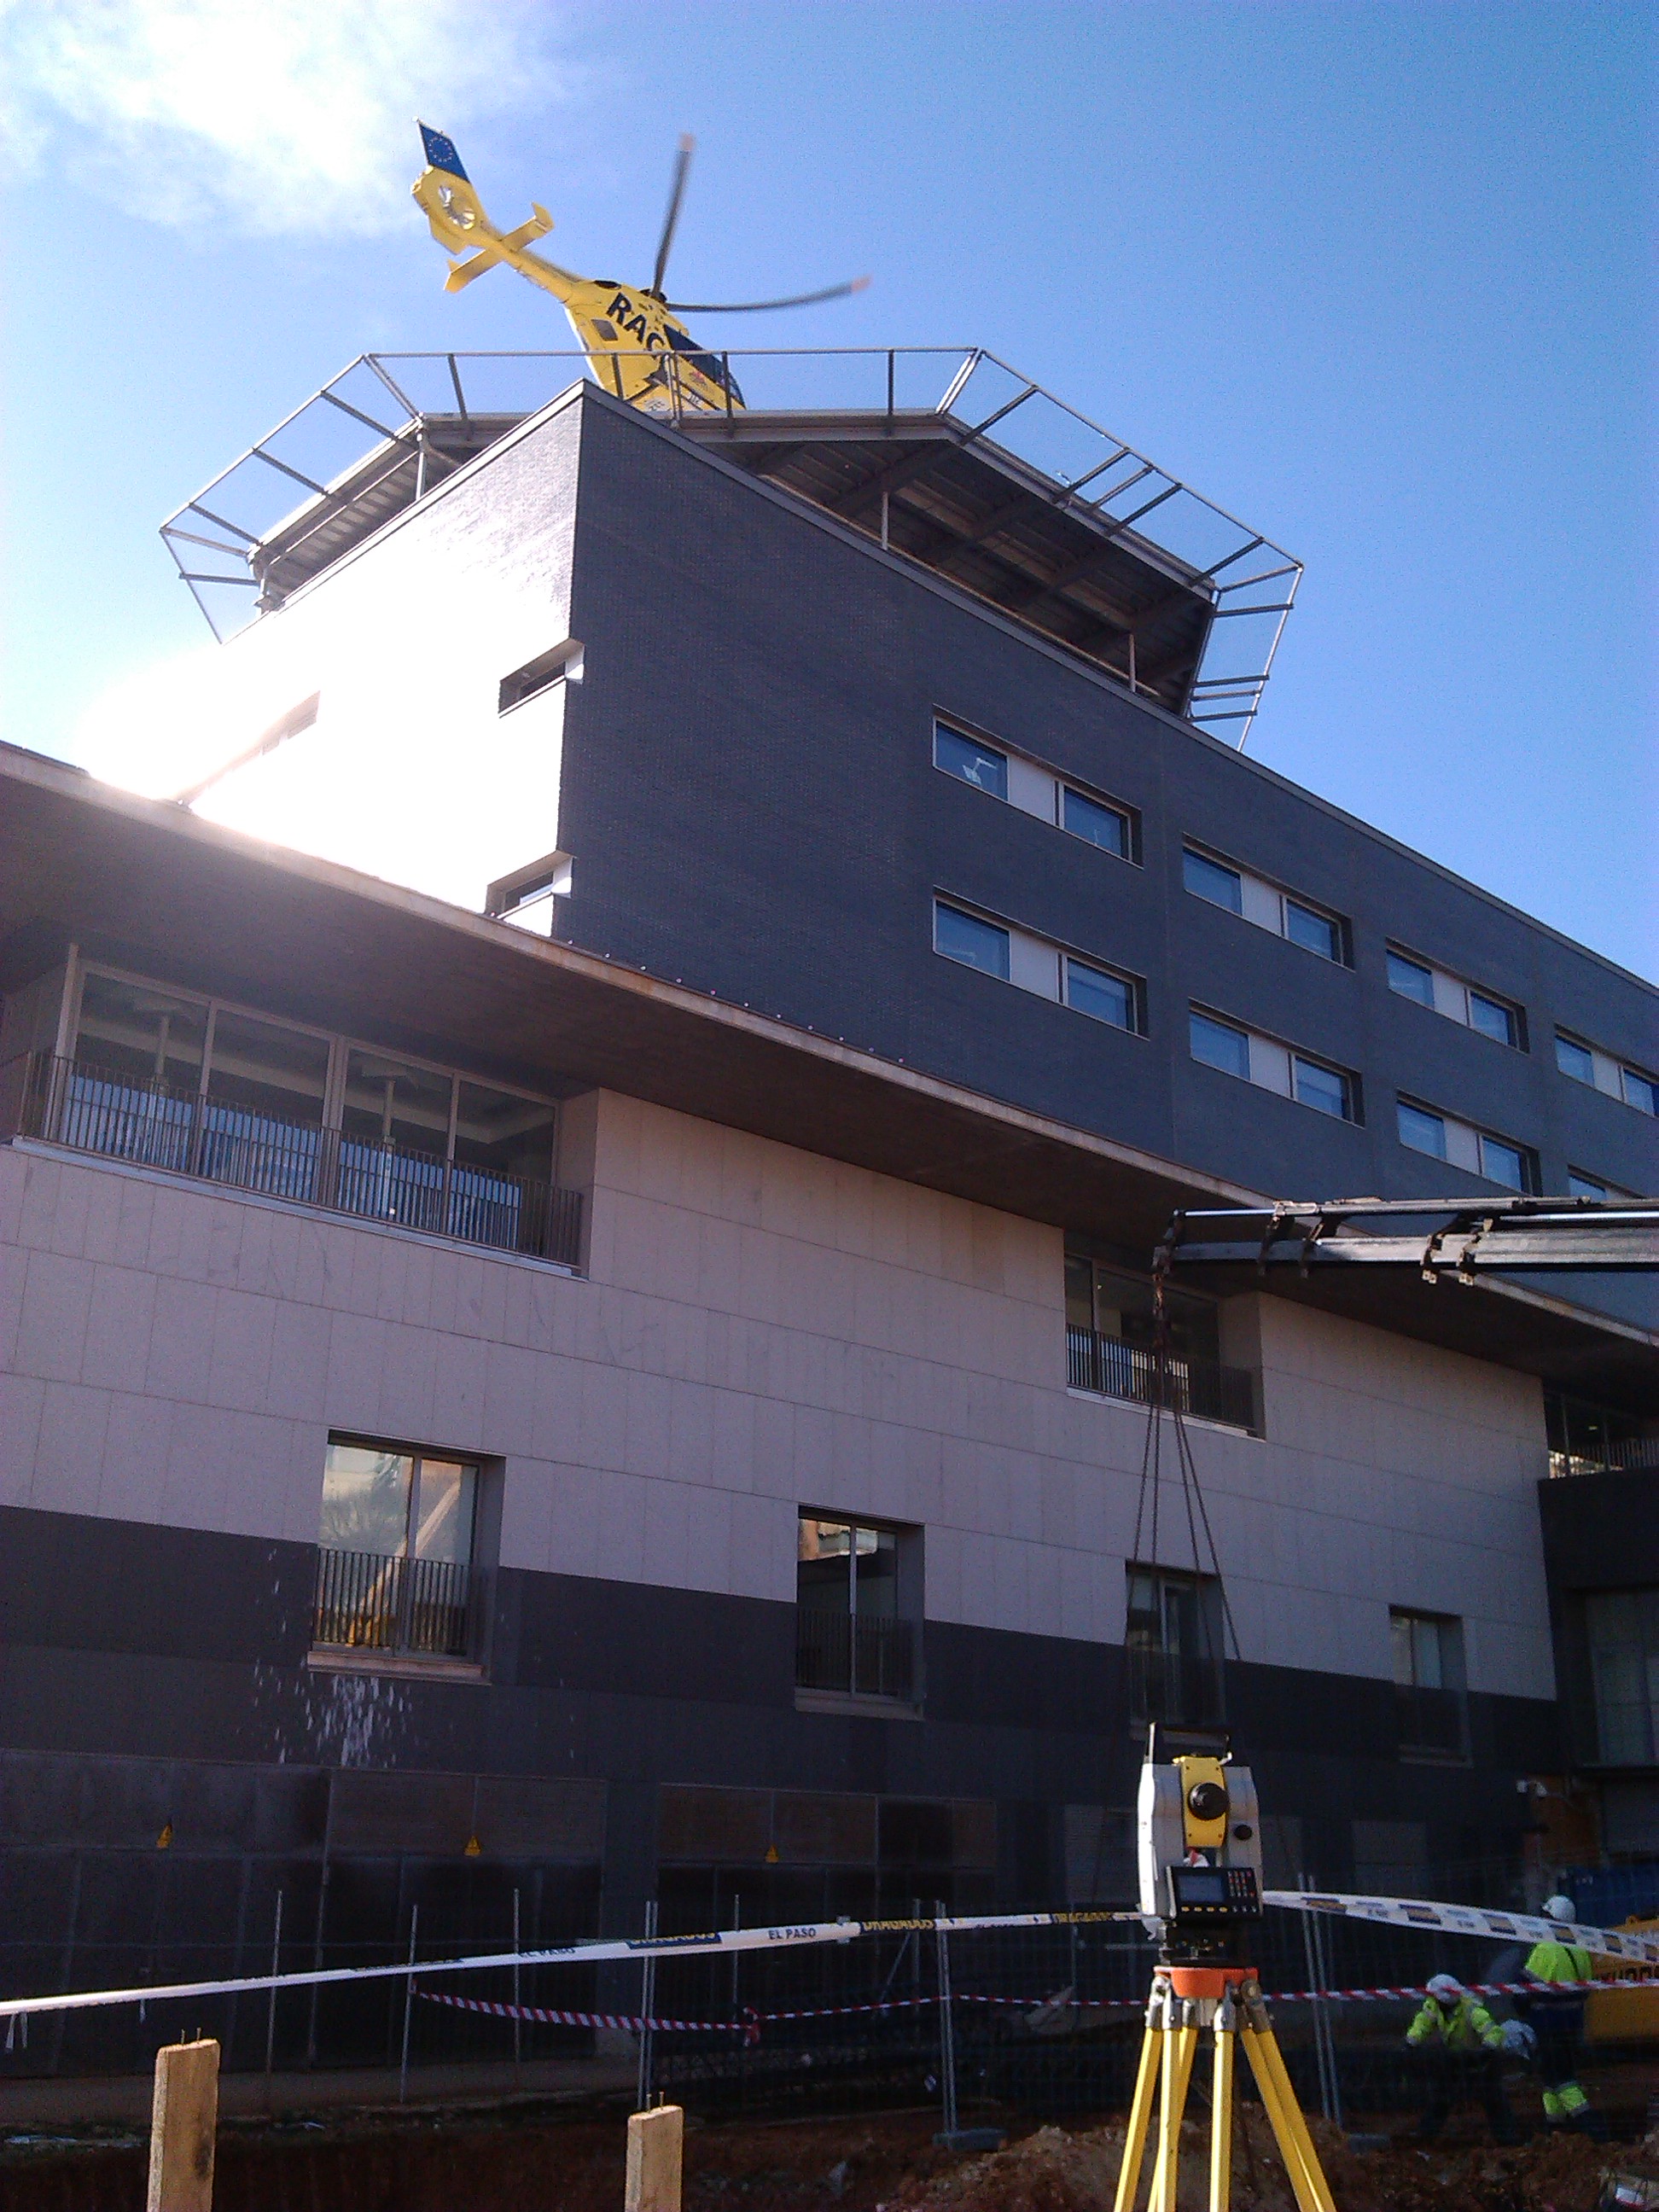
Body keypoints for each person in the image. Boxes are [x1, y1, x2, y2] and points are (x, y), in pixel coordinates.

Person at [1516, 1895, 1605, 2139]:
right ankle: (1555, 2127)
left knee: (1562, 2079)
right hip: (1573, 2024)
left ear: (1551, 1919)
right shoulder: (1580, 1950)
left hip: (1548, 2026)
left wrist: (1524, 2010)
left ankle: (1593, 2127)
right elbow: (1586, 1990)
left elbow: (1523, 1991)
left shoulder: (1545, 1949)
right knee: (1550, 2078)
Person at [1404, 1972, 1519, 2143]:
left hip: (1482, 2059)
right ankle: (1426, 2135)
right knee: (1441, 2097)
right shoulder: (1434, 2005)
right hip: (1456, 2057)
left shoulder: (1472, 2008)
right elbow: (1423, 2023)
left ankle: (1508, 2137)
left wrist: (1486, 2050)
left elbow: (1493, 2032)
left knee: (1493, 2099)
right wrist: (1411, 2041)